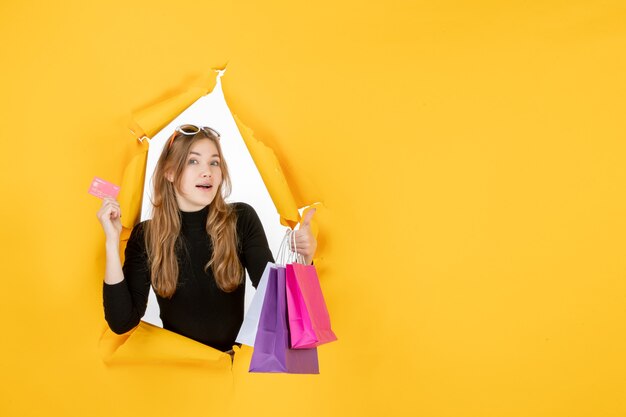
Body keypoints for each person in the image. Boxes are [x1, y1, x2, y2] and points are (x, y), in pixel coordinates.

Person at [97, 124, 317, 353]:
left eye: (214, 162)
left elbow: (278, 305)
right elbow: (122, 323)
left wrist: (305, 259)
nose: (207, 171)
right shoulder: (146, 236)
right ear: (170, 172)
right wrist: (112, 244)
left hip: (231, 372)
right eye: (194, 161)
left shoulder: (241, 219)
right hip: (180, 374)